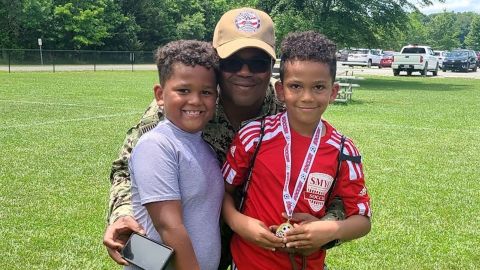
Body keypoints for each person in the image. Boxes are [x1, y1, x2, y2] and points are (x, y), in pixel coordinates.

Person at [103, 7, 345, 268]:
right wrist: (123, 214)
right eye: (231, 61)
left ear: (272, 68)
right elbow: (126, 169)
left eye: (258, 63)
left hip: (263, 251)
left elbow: (335, 182)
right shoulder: (180, 108)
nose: (244, 71)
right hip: (185, 248)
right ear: (215, 63)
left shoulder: (290, 112)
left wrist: (324, 229)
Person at [221, 31, 371, 270]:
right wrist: (240, 223)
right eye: (296, 86)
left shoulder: (344, 150)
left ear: (334, 92)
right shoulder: (253, 136)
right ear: (281, 91)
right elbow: (223, 192)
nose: (307, 97)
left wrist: (329, 231)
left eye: (319, 87)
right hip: (249, 262)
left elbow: (362, 220)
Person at [127, 40, 223, 270]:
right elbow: (169, 226)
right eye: (183, 90)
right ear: (160, 95)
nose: (196, 100)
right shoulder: (157, 145)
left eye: (206, 92)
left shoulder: (204, 147)